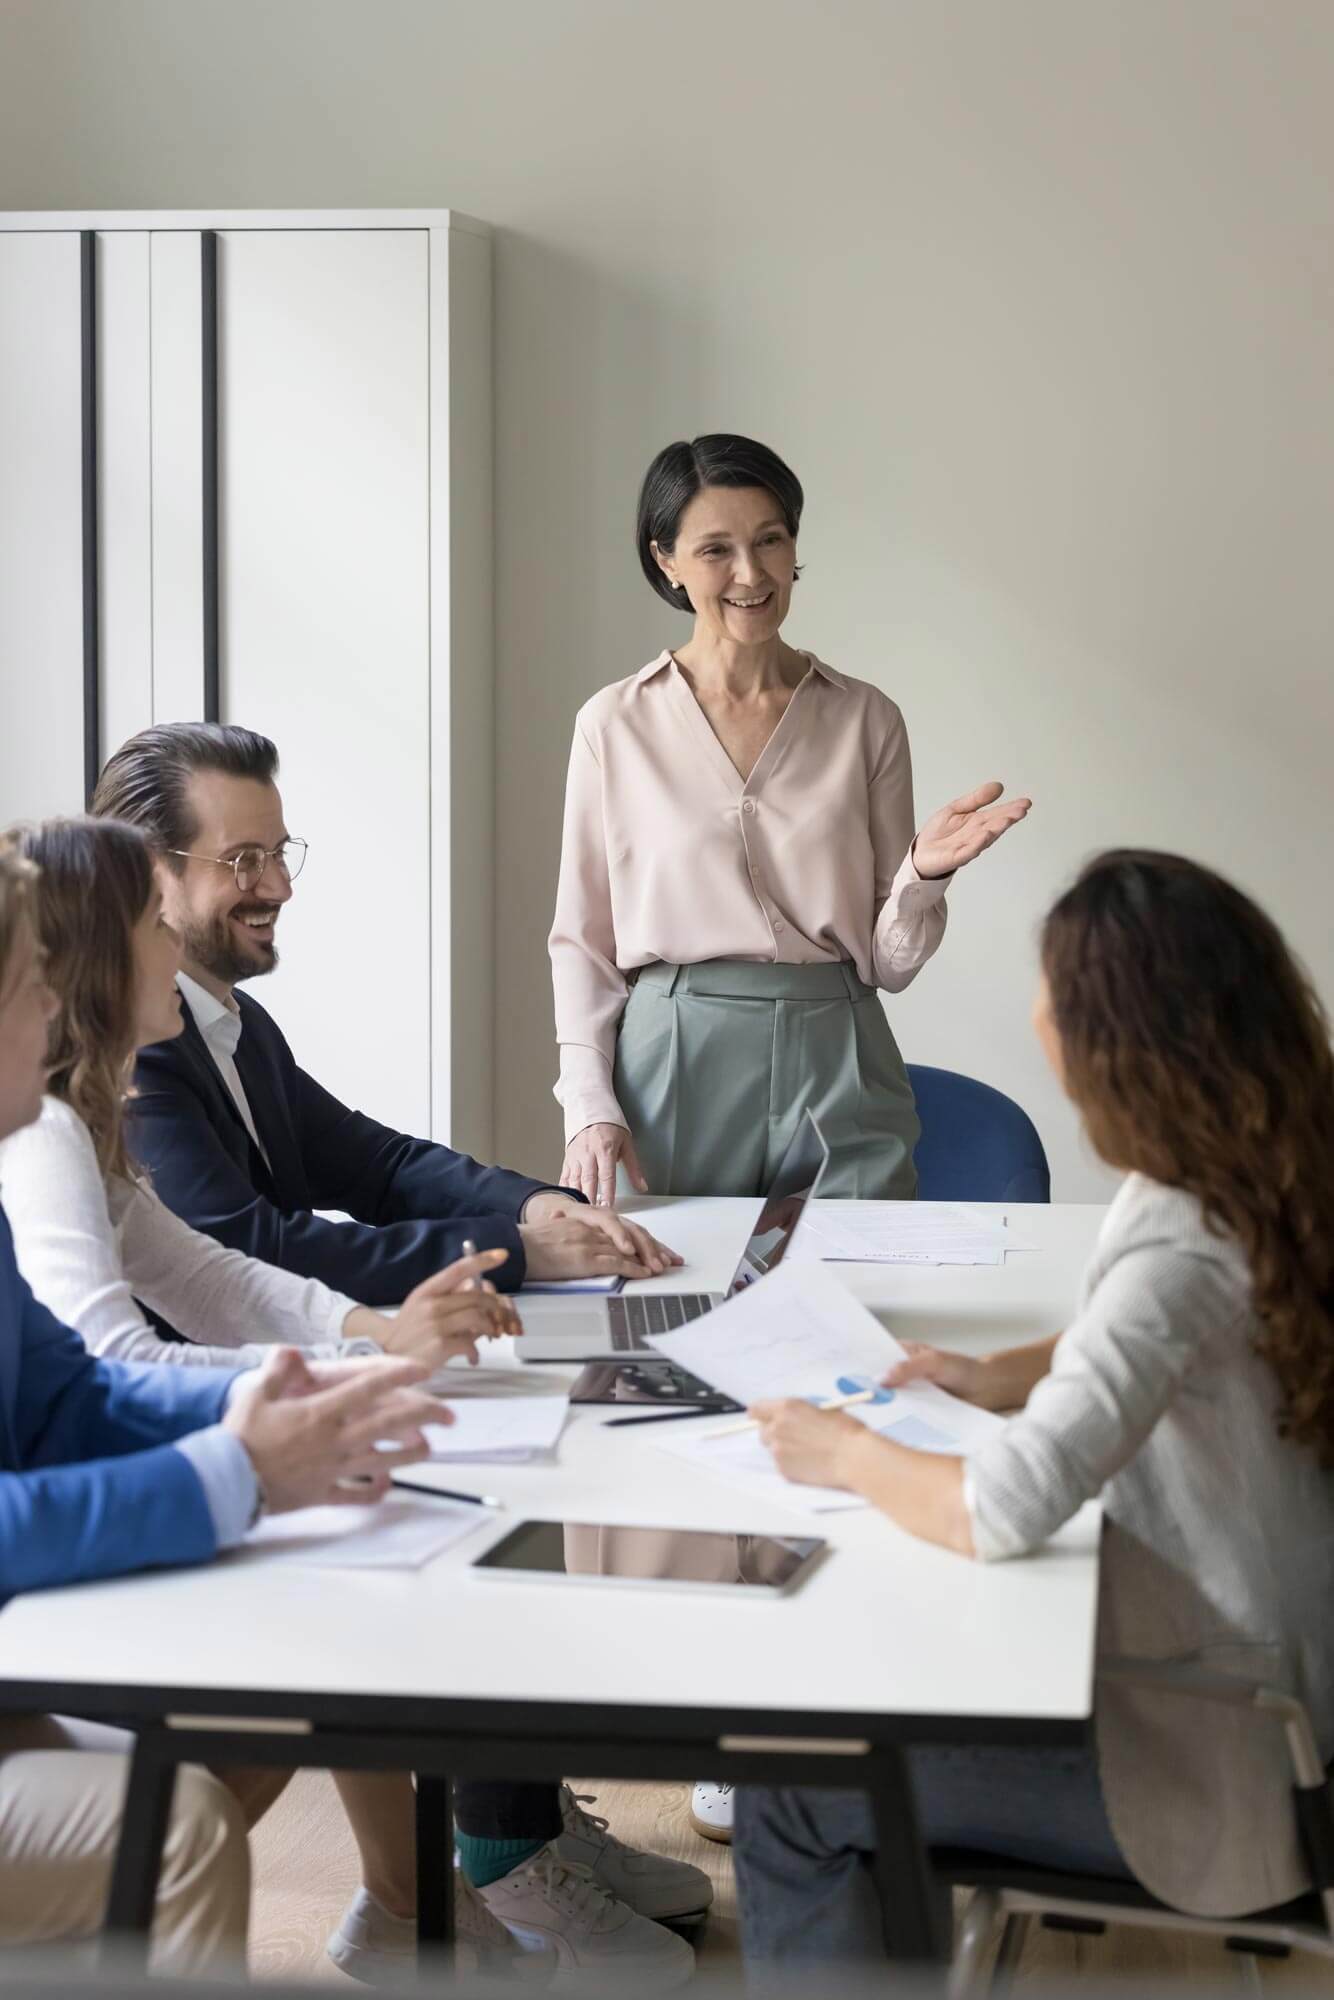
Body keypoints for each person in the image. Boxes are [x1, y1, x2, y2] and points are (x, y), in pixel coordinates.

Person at [0, 818, 710, 1985]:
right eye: (151, 922)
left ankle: (434, 1884)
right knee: (309, 1654)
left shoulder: (103, 1107)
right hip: (78, 1555)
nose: (174, 945)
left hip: (119, 1492)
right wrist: (296, 1416)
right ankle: (447, 1879)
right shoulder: (43, 1147)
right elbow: (127, 1340)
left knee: (365, 1576)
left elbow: (175, 1305)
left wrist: (364, 1349)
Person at [735, 850, 1334, 1968]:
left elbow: (999, 1506)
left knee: (793, 1784)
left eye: (1051, 990)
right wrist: (995, 1374)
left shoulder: (1173, 1236)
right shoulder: (1273, 1171)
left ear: (1118, 1035)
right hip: (1288, 1707)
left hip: (1221, 1766)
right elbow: (1185, 1349)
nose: (1034, 1013)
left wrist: (844, 1448)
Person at [0, 836, 455, 1975]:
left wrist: (325, 1394)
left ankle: (417, 1915)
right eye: (28, 983)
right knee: (184, 1822)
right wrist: (246, 1461)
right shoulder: (48, 1138)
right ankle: (420, 1913)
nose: (50, 1003)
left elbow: (76, 1389)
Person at [548, 432, 1031, 1210]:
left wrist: (921, 881)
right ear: (665, 559)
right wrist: (588, 1105)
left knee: (864, 1298)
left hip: (840, 1045)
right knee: (671, 1304)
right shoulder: (615, 724)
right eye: (717, 549)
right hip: (675, 1051)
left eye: (771, 540)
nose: (752, 573)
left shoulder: (866, 718)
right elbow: (581, 938)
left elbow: (890, 966)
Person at [90, 723, 679, 1298]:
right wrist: (517, 1252)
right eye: (243, 860)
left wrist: (537, 1206)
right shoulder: (134, 1051)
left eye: (278, 852)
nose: (278, 887)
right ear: (149, 873)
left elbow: (377, 1164)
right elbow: (250, 1251)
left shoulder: (240, 1026)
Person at [0, 817, 519, 1372]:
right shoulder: (48, 1133)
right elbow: (115, 1364)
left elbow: (210, 1281)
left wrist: (382, 1339)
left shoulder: (80, 1121)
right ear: (101, 961)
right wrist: (363, 1355)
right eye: (157, 922)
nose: (177, 945)